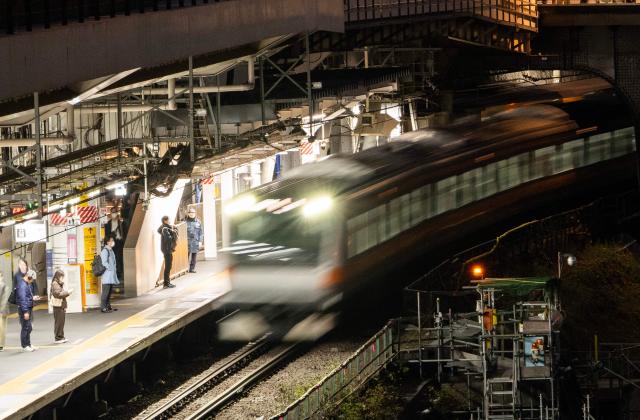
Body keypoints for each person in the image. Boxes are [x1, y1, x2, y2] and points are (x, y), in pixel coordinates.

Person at [104, 207, 126, 285]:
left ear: (117, 213)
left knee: (119, 257)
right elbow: (106, 234)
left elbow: (124, 232)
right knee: (113, 258)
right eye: (112, 212)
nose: (114, 214)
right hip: (112, 243)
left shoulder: (121, 222)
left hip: (119, 242)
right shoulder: (108, 224)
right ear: (110, 213)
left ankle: (119, 273)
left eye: (115, 212)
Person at [50, 269, 73, 343]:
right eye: (62, 277)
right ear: (58, 276)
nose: (62, 278)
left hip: (60, 305)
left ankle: (61, 337)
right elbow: (58, 294)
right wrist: (68, 292)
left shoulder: (57, 283)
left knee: (61, 322)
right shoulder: (55, 284)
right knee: (59, 322)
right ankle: (58, 338)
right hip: (58, 306)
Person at [16, 269, 37, 351]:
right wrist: (25, 311)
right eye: (32, 279)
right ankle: (25, 345)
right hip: (24, 309)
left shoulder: (25, 284)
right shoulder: (22, 285)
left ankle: (28, 344)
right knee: (25, 327)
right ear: (29, 277)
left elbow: (26, 297)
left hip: (27, 308)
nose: (32, 281)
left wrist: (32, 298)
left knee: (28, 327)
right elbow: (22, 299)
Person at [100, 235, 120, 313]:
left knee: (109, 292)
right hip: (107, 275)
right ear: (107, 242)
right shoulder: (105, 251)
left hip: (111, 275)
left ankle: (108, 306)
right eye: (111, 241)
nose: (112, 242)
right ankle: (103, 307)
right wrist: (110, 268)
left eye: (112, 241)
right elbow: (104, 262)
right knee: (105, 292)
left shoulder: (110, 250)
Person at [157, 216, 178, 289]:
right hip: (167, 250)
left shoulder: (165, 228)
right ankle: (166, 283)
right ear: (165, 221)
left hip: (167, 249)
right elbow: (168, 239)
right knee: (168, 266)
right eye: (169, 220)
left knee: (168, 266)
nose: (170, 221)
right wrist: (173, 232)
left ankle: (167, 282)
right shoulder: (165, 229)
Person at [186, 208, 202, 273]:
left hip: (195, 241)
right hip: (187, 242)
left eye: (193, 213)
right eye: (191, 212)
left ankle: (192, 269)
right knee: (186, 256)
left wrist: (200, 241)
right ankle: (185, 268)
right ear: (188, 213)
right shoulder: (185, 222)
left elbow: (201, 232)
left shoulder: (198, 222)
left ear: (195, 213)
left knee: (194, 256)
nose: (192, 214)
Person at [0, 273, 10, 352]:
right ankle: (1, 345)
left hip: (2, 311)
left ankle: (1, 345)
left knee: (2, 329)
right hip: (3, 311)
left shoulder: (3, 286)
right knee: (2, 328)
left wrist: (1, 310)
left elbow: (4, 300)